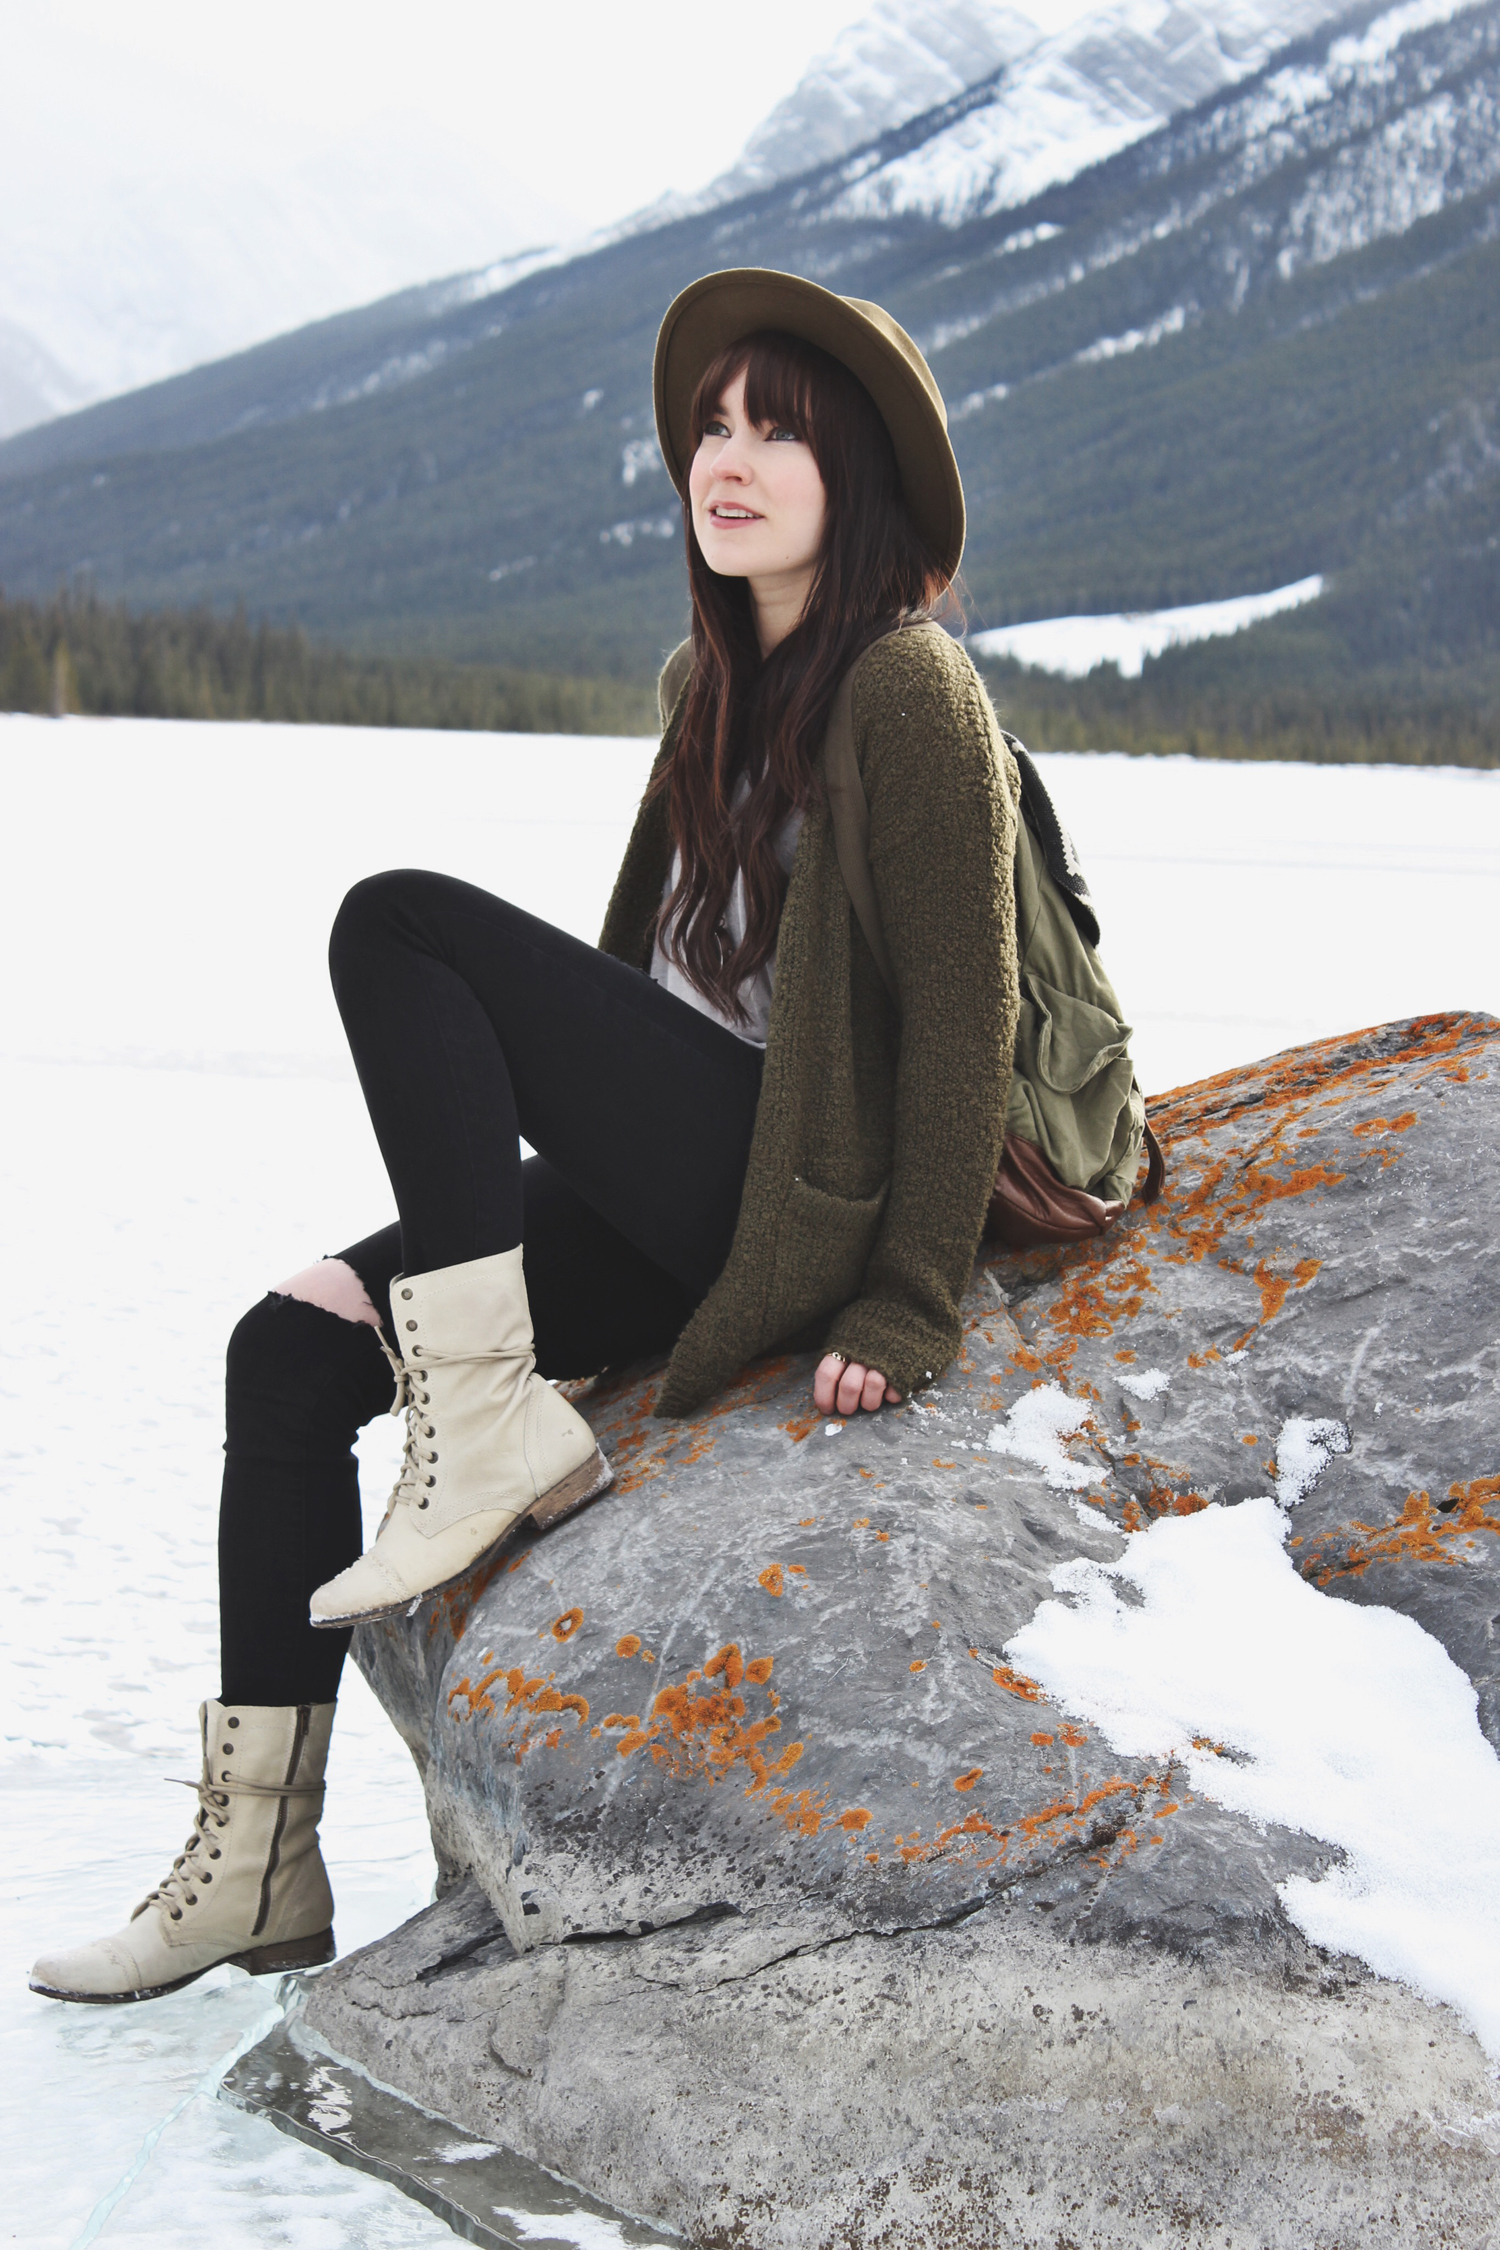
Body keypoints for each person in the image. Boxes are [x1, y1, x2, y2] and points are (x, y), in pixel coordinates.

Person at [30, 267, 1026, 2006]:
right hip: (676, 1191)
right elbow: (637, 998)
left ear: (855, 474)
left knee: (397, 923)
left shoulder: (909, 690)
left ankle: (480, 1413)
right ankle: (256, 1862)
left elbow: (965, 1020)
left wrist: (909, 1300)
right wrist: (484, 1244)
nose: (725, 461)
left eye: (776, 433)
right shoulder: (710, 686)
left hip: (787, 1196)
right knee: (285, 1347)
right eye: (710, 428)